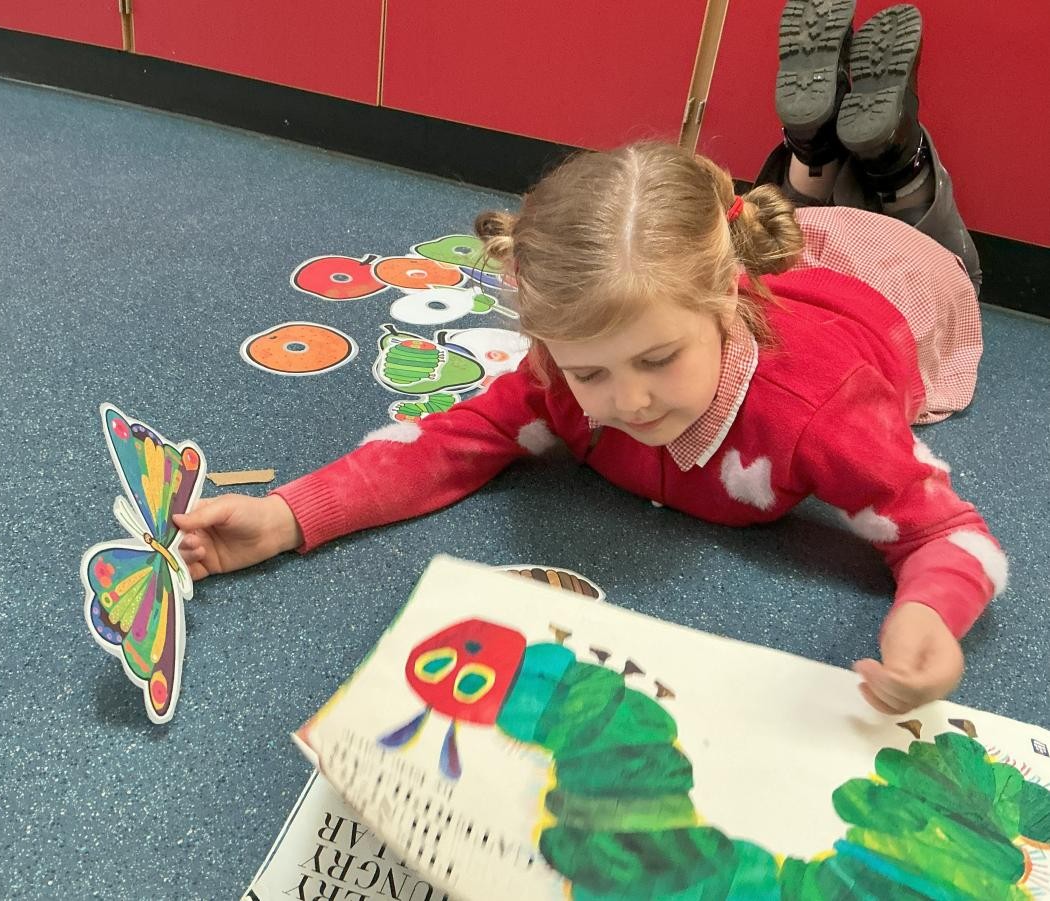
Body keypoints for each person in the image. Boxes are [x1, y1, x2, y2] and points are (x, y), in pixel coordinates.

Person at [174, 1, 1004, 716]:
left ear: (729, 302)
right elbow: (441, 446)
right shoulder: (561, 377)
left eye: (658, 359)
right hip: (751, 264)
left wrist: (932, 611)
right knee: (792, 204)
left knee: (907, 229)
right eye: (591, 371)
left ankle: (887, 159)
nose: (630, 401)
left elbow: (949, 533)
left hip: (896, 289)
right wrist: (285, 515)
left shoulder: (823, 410)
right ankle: (813, 151)